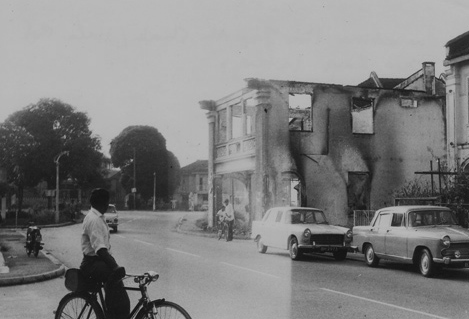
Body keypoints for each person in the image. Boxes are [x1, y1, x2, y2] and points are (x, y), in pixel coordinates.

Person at [80, 188, 130, 319]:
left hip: (98, 262)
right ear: (103, 202)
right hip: (91, 264)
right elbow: (100, 250)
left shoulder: (98, 217)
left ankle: (113, 313)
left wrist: (116, 267)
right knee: (115, 285)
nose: (108, 205)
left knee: (118, 285)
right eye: (107, 201)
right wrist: (115, 267)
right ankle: (111, 315)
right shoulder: (94, 219)